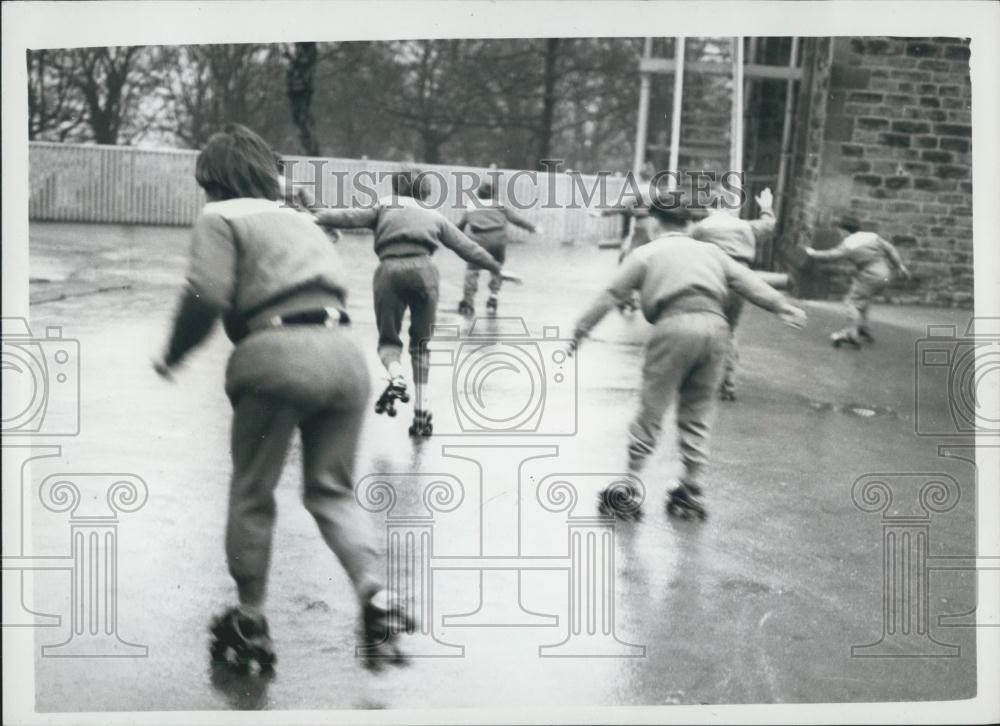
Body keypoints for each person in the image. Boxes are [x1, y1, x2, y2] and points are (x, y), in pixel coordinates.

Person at [153, 124, 409, 674]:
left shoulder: (220, 217)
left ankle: (250, 619)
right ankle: (374, 594)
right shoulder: (300, 218)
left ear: (214, 181)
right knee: (332, 491)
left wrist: (173, 354)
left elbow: (207, 294)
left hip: (275, 354)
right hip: (344, 356)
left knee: (253, 491)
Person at [569, 198, 807, 521]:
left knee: (653, 406)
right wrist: (782, 306)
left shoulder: (646, 253)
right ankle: (691, 487)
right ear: (689, 224)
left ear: (655, 223)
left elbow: (611, 294)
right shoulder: (712, 252)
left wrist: (580, 331)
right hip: (716, 329)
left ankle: (630, 486)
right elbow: (747, 281)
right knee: (698, 409)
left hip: (674, 326)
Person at [312, 169, 513, 437]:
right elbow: (466, 246)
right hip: (425, 273)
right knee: (421, 345)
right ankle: (421, 413)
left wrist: (315, 217)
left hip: (389, 272)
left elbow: (348, 217)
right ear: (426, 191)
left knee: (389, 340)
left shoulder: (384, 205)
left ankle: (396, 376)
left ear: (397, 187)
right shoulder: (434, 215)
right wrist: (496, 267)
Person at [688, 186, 777, 400]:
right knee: (730, 329)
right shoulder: (747, 227)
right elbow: (768, 225)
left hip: (711, 278)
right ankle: (728, 382)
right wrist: (766, 206)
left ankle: (699, 377)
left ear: (709, 206)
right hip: (739, 281)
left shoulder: (701, 228)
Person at [804, 217, 911, 348]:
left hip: (870, 275)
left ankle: (852, 334)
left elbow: (831, 255)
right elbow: (890, 249)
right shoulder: (872, 237)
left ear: (844, 231)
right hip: (885, 275)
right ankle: (863, 328)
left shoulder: (849, 244)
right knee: (864, 300)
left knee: (852, 302)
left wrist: (813, 253)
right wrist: (900, 266)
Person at [456, 180, 541, 318]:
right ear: (493, 194)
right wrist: (533, 228)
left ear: (478, 194)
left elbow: (460, 226)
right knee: (496, 268)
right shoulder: (500, 206)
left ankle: (468, 302)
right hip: (498, 241)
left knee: (472, 269)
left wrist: (451, 237)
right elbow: (517, 220)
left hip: (479, 241)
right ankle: (493, 296)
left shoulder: (471, 206)